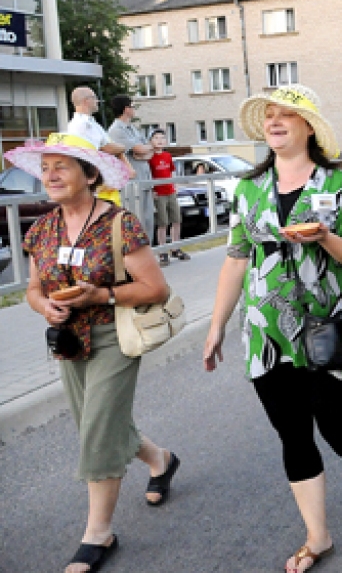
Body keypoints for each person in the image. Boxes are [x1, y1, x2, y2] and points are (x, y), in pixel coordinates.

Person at [202, 84, 342, 573]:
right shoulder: (248, 189)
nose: (275, 122)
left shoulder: (337, 184)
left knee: (340, 430)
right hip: (266, 332)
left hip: (327, 324)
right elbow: (237, 259)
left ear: (308, 127)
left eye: (286, 115)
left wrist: (325, 239)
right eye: (270, 116)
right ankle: (317, 537)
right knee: (294, 434)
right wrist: (216, 325)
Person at [6, 132, 179, 573]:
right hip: (67, 344)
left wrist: (98, 296)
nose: (51, 175)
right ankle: (161, 459)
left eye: (61, 166)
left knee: (98, 432)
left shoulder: (119, 223)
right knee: (98, 424)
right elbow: (31, 289)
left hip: (113, 338)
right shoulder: (41, 229)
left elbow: (155, 288)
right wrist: (45, 305)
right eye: (45, 168)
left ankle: (98, 533)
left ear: (89, 174)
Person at [66, 86, 132, 206]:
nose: (98, 102)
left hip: (104, 183)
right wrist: (122, 147)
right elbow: (104, 148)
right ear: (86, 101)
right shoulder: (83, 125)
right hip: (98, 185)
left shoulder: (90, 123)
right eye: (95, 98)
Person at [107, 95, 155, 237]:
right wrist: (141, 150)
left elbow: (150, 150)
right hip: (132, 184)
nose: (134, 109)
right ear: (126, 109)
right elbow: (139, 149)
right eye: (132, 106)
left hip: (145, 180)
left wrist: (143, 150)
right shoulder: (116, 130)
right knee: (136, 221)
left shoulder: (133, 129)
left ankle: (149, 253)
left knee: (148, 220)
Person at [147, 129, 190, 266]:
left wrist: (174, 186)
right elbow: (148, 176)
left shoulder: (167, 156)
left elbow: (170, 172)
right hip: (159, 194)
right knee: (162, 223)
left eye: (162, 138)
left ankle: (175, 248)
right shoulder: (149, 157)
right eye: (156, 138)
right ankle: (162, 251)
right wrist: (152, 190)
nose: (159, 140)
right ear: (151, 141)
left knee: (176, 220)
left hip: (170, 191)